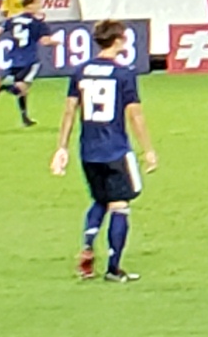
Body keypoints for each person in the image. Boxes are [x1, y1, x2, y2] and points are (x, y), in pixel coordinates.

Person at [50, 22, 152, 281]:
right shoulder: (124, 74)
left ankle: (87, 245)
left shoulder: (80, 71)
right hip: (115, 149)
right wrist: (148, 149)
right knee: (120, 205)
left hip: (88, 150)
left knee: (100, 200)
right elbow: (135, 115)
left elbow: (69, 110)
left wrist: (61, 147)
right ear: (117, 40)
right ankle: (114, 269)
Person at [0, 0, 45, 128]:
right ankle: (2, 87)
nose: (39, 6)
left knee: (22, 90)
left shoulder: (13, 19)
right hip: (30, 58)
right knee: (23, 87)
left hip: (14, 57)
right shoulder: (36, 22)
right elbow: (44, 41)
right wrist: (55, 41)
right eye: (38, 3)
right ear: (30, 5)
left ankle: (25, 118)